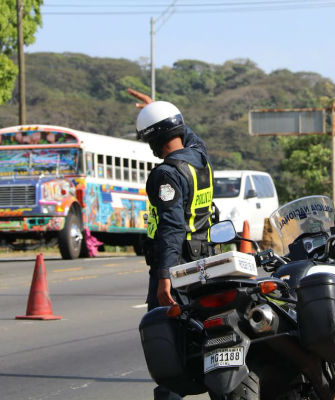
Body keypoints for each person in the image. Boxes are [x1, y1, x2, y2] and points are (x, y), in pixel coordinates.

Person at [131, 89, 214, 400]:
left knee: (167, 347)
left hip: (176, 269)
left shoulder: (166, 173)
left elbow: (172, 226)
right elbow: (186, 134)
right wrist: (159, 112)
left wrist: (165, 274)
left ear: (154, 140)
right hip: (204, 262)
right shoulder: (200, 158)